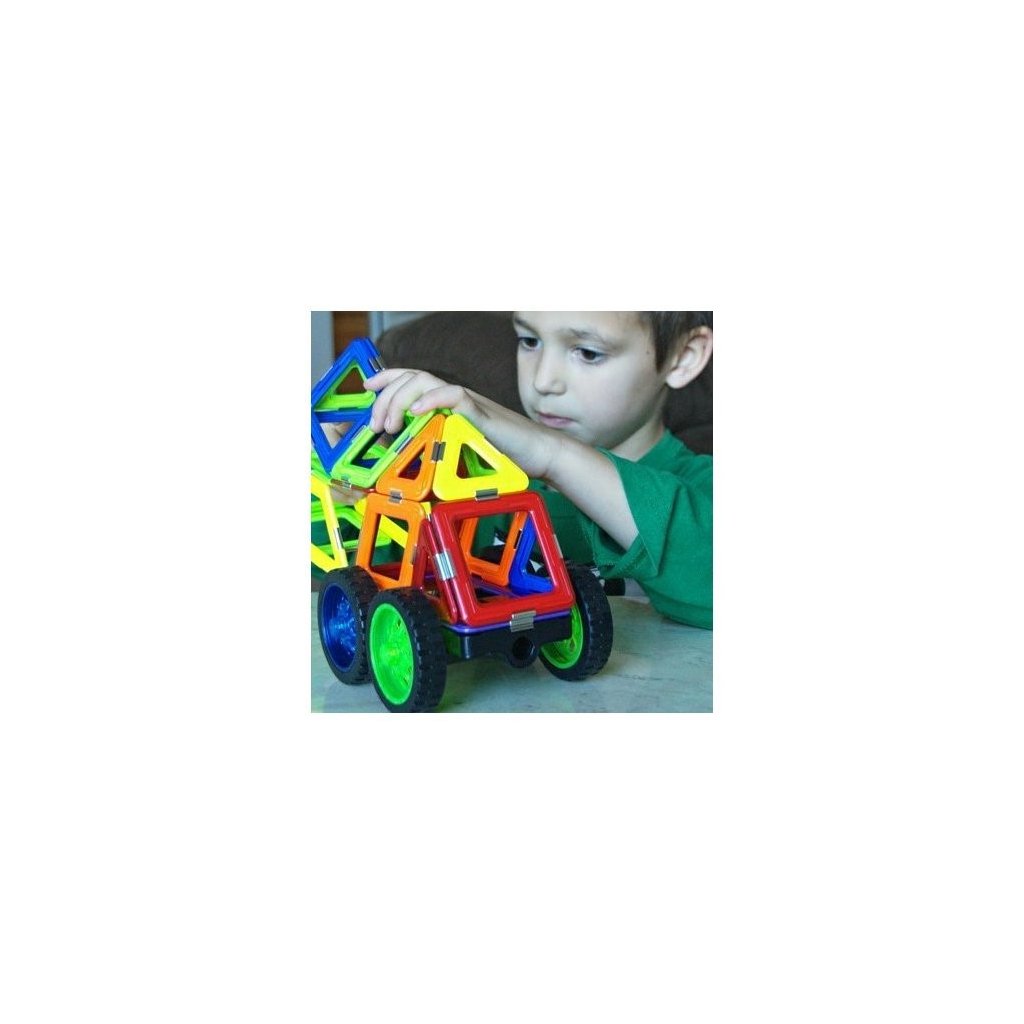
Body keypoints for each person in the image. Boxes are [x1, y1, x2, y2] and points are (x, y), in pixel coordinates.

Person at [363, 311, 713, 629]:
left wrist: (553, 454)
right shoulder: (469, 483)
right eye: (530, 341)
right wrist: (352, 493)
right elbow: (372, 574)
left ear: (684, 356)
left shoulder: (703, 486)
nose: (543, 381)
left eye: (588, 353)